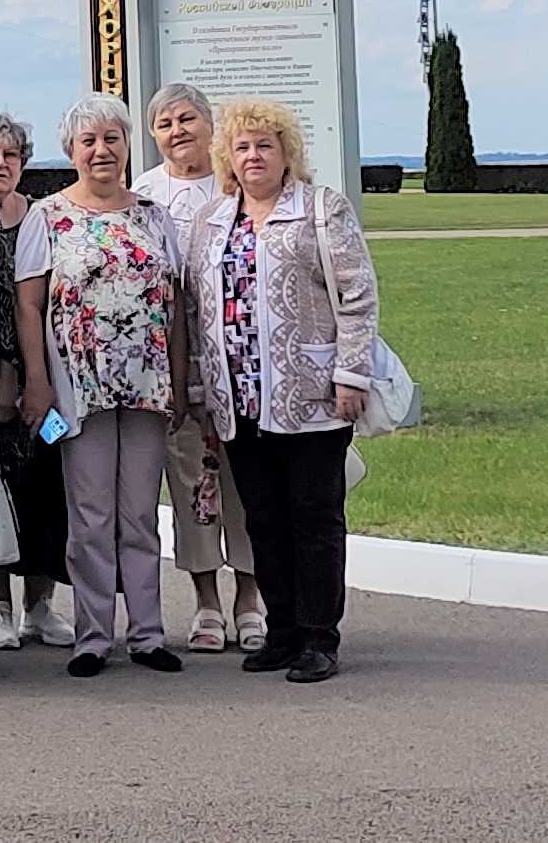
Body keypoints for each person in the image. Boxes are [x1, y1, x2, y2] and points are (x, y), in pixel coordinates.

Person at [177, 99, 379, 684]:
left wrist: (351, 373)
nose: (253, 156)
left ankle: (320, 637)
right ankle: (282, 630)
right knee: (262, 518)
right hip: (238, 399)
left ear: (286, 152)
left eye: (265, 145)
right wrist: (196, 386)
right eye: (241, 147)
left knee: (314, 516)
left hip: (311, 393)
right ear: (227, 158)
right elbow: (194, 306)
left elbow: (358, 296)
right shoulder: (213, 221)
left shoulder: (320, 209)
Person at [21, 96, 192, 678]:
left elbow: (175, 305)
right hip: (79, 388)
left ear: (126, 147)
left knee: (140, 514)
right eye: (89, 141)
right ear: (71, 150)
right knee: (91, 515)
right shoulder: (46, 218)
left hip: (147, 385)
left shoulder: (152, 215)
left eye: (112, 139)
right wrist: (38, 382)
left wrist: (181, 378)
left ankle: (147, 633)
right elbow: (29, 306)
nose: (101, 151)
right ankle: (93, 635)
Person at [137, 80, 259, 652]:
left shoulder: (236, 188)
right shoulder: (144, 195)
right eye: (165, 124)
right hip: (174, 369)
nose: (177, 132)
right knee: (193, 486)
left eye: (187, 119)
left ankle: (251, 599)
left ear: (210, 126)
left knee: (248, 484)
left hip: (239, 365)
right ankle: (207, 603)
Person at [0, 108, 71, 654]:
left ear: (24, 164)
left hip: (45, 377)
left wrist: (36, 378)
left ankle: (40, 605)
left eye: (9, 155)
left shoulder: (43, 219)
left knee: (47, 488)